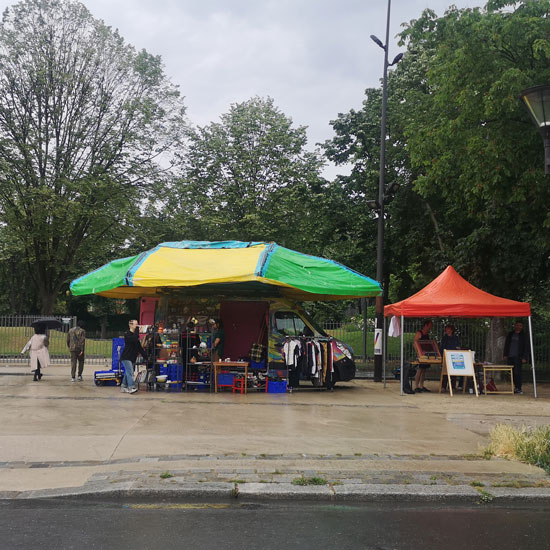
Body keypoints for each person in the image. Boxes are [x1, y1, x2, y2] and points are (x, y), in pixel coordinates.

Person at [119, 319, 147, 394]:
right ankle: (131, 387)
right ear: (131, 325)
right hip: (126, 357)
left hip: (131, 358)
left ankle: (123, 386)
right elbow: (134, 338)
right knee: (130, 372)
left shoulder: (135, 337)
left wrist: (146, 357)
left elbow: (139, 348)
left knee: (127, 372)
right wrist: (137, 330)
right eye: (136, 325)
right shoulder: (127, 334)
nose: (137, 326)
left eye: (137, 325)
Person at [503, 320, 529, 395]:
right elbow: (507, 345)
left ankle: (519, 387)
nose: (518, 327)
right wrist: (505, 354)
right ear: (515, 326)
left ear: (522, 326)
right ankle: (515, 387)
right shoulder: (510, 334)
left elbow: (526, 347)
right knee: (512, 373)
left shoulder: (524, 335)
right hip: (510, 356)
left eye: (520, 325)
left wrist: (524, 357)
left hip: (519, 357)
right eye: (517, 325)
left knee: (518, 373)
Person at [414, 319, 433, 393]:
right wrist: (418, 353)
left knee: (424, 370)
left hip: (426, 354)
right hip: (420, 354)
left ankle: (421, 385)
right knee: (420, 369)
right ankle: (416, 386)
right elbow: (415, 342)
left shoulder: (427, 334)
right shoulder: (419, 333)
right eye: (430, 326)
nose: (430, 327)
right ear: (426, 325)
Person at [440, 324, 461, 390]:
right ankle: (443, 386)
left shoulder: (455, 338)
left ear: (451, 330)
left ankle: (452, 386)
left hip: (453, 356)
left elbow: (458, 347)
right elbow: (442, 347)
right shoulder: (444, 338)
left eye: (447, 329)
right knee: (445, 371)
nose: (446, 330)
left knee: (453, 372)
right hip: (445, 356)